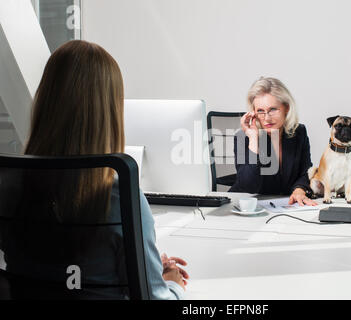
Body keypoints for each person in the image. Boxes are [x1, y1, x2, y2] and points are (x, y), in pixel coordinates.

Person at [3, 40, 188, 299]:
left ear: (45, 99)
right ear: (110, 111)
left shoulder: (8, 186)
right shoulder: (120, 197)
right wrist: (172, 284)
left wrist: (147, 266)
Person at [229, 77, 317, 206]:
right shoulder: (244, 137)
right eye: (260, 111)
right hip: (249, 207)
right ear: (253, 113)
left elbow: (305, 170)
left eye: (273, 110)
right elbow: (248, 187)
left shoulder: (299, 132)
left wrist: (299, 189)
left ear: (286, 108)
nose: (267, 118)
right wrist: (254, 140)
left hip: (286, 206)